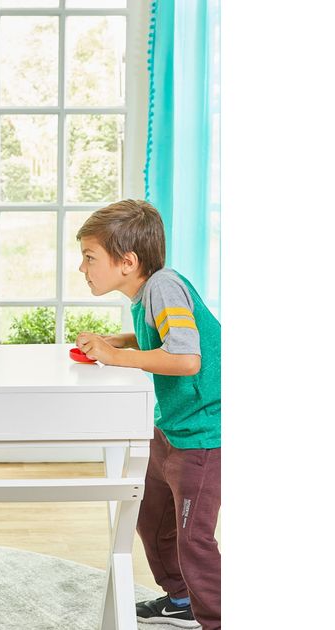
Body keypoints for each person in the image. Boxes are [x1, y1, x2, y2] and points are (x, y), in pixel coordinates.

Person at [74, 200, 221, 630]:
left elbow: (187, 357)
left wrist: (116, 357)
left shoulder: (164, 287)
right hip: (172, 428)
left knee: (194, 539)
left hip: (203, 434)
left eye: (89, 257)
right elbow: (164, 337)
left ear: (127, 262)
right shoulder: (148, 293)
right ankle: (181, 600)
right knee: (150, 517)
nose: (82, 268)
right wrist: (120, 341)